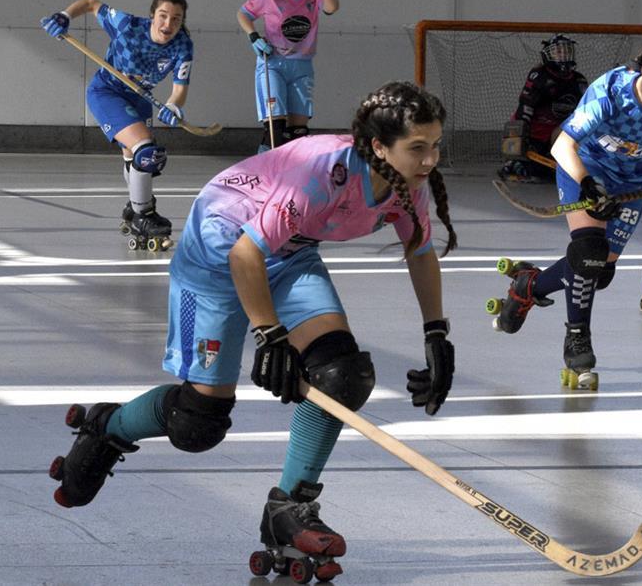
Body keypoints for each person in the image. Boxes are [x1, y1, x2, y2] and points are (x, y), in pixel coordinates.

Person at [48, 81, 457, 579]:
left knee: (342, 375)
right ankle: (107, 427)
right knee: (197, 425)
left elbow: (419, 251)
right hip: (218, 252)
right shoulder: (322, 174)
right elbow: (245, 254)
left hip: (288, 255)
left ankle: (289, 508)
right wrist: (271, 334)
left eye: (436, 145)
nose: (430, 159)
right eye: (418, 147)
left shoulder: (406, 184)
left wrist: (436, 334)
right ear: (379, 146)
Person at [489, 19, 642, 390]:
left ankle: (528, 286)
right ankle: (577, 339)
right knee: (588, 254)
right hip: (586, 168)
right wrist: (587, 184)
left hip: (635, 183)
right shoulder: (611, 93)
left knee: (599, 273)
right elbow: (561, 146)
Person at [41, 0, 194, 249]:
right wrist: (65, 16)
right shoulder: (127, 26)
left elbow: (179, 90)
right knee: (148, 152)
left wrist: (173, 106)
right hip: (107, 92)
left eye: (176, 19)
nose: (168, 24)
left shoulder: (183, 45)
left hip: (140, 97)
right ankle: (143, 215)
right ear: (152, 15)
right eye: (163, 16)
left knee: (137, 159)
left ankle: (135, 206)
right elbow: (91, 4)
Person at [237, 0, 339, 152]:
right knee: (275, 131)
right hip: (273, 63)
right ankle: (266, 168)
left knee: (298, 132)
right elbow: (243, 14)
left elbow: (332, 7)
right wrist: (253, 37)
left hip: (302, 65)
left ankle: (293, 170)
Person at [499, 35, 588, 184]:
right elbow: (525, 106)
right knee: (516, 127)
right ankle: (514, 162)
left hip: (560, 131)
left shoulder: (579, 80)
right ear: (548, 55)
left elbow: (586, 111)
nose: (563, 55)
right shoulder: (539, 75)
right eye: (558, 52)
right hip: (536, 132)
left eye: (566, 51)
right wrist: (521, 136)